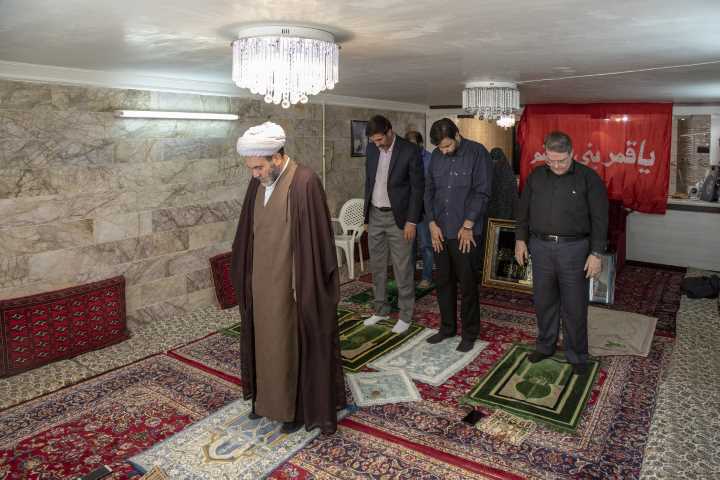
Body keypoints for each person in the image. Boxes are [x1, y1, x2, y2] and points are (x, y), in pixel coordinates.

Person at [230, 121, 346, 435]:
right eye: (251, 168)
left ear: (277, 158)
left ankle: (294, 410)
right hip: (260, 283)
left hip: (292, 285)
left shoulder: (304, 181)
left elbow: (317, 242)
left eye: (258, 167)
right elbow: (248, 233)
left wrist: (305, 287)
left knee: (287, 345)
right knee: (263, 344)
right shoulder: (257, 182)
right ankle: (266, 401)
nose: (254, 174)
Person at [514, 131, 608, 375]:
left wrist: (596, 253)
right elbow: (523, 211)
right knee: (544, 301)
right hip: (540, 247)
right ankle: (545, 346)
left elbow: (600, 219)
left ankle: (577, 354)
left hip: (574, 249)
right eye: (551, 160)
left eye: (561, 160)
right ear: (545, 154)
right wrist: (520, 240)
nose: (556, 165)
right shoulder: (536, 176)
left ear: (572, 153)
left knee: (574, 305)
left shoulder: (588, 178)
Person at [424, 118, 492, 352]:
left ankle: (470, 333)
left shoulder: (477, 153)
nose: (443, 151)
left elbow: (482, 192)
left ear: (457, 135)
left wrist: (468, 224)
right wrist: (431, 223)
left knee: (468, 283)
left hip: (466, 232)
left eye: (447, 146)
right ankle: (447, 327)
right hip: (440, 231)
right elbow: (428, 190)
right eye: (440, 147)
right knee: (443, 281)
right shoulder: (436, 156)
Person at [362, 115, 425, 334]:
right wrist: (366, 218)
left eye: (380, 139)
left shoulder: (409, 150)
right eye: (373, 141)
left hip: (400, 218)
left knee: (402, 267)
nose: (377, 144)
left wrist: (411, 221)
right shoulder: (371, 150)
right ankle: (380, 310)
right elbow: (369, 182)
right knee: (377, 266)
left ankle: (405, 314)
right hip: (375, 214)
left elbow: (418, 188)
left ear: (390, 131)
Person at [477, 147, 519, 278]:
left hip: (503, 218)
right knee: (490, 244)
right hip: (492, 218)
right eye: (493, 160)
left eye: (497, 160)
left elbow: (513, 199)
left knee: (500, 244)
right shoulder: (488, 176)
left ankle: (497, 273)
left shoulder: (506, 176)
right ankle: (489, 272)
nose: (495, 163)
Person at [405, 130, 434, 289]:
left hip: (424, 210)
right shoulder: (404, 158)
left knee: (425, 245)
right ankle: (408, 278)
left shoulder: (430, 159)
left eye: (413, 145)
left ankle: (426, 278)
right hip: (408, 210)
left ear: (420, 144)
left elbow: (431, 186)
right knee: (409, 246)